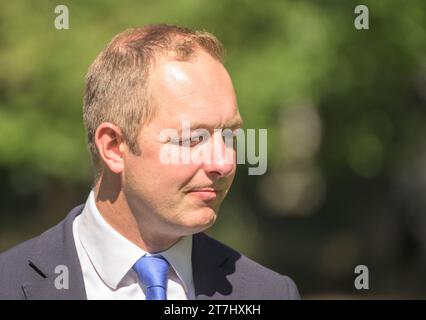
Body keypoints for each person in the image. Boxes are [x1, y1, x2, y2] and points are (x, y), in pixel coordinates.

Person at [0, 24, 300, 300]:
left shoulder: (270, 293)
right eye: (192, 139)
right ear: (114, 147)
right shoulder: (10, 286)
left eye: (230, 136)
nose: (223, 162)